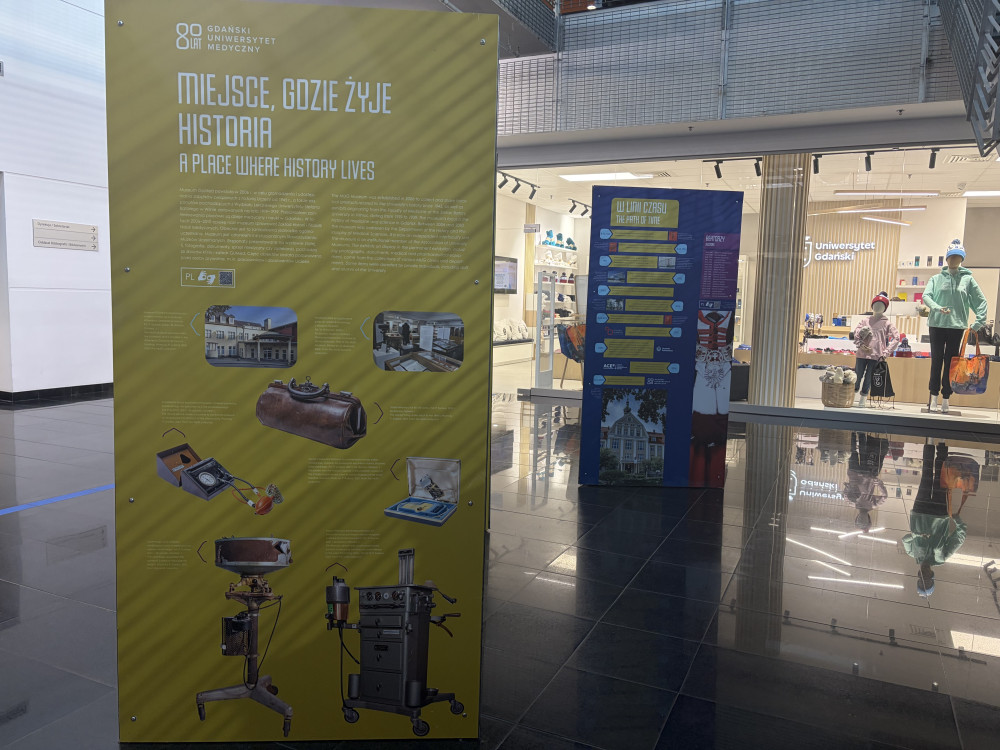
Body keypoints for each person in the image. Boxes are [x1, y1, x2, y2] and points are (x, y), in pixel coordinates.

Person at [922, 241, 989, 413]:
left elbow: (981, 301)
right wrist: (937, 307)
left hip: (956, 326)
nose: (954, 260)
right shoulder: (936, 279)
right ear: (947, 259)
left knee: (951, 363)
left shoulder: (968, 280)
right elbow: (926, 296)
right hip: (936, 324)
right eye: (951, 257)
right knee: (936, 360)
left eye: (958, 257)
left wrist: (978, 322)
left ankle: (946, 397)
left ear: (962, 259)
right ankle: (933, 396)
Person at [902, 441, 968, 598]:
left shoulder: (913, 553)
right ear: (932, 577)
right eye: (927, 581)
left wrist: (916, 535)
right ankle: (942, 446)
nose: (924, 577)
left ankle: (929, 442)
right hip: (939, 513)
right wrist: (957, 520)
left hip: (919, 511)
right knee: (940, 477)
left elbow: (905, 540)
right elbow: (960, 537)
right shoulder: (942, 557)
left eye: (921, 581)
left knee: (926, 476)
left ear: (918, 577)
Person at [852, 292, 899, 408]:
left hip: (876, 356)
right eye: (876, 304)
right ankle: (851, 395)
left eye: (881, 305)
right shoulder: (865, 321)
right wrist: (860, 344)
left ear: (885, 308)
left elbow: (897, 338)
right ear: (872, 306)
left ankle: (863, 398)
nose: (878, 307)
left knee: (869, 378)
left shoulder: (887, 323)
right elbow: (856, 333)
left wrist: (885, 353)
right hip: (862, 354)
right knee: (857, 375)